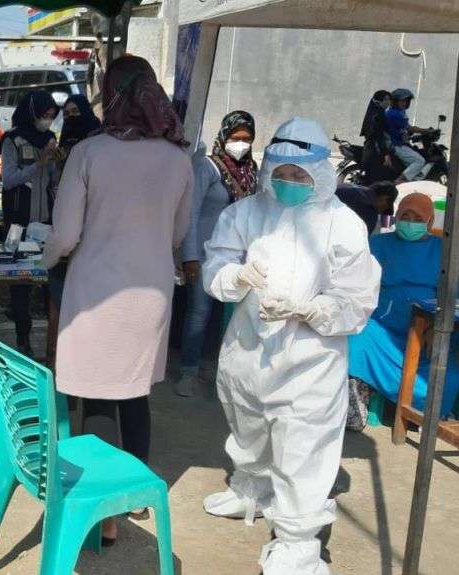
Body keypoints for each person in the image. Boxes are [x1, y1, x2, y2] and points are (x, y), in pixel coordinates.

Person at [201, 117, 381, 575]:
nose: (289, 183)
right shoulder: (244, 214)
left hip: (310, 361)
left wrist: (308, 308)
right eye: (281, 173)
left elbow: (357, 298)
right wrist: (234, 277)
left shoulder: (342, 225)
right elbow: (216, 265)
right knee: (248, 421)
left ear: (320, 175)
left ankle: (299, 541)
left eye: (300, 175)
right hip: (248, 349)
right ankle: (253, 488)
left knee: (303, 444)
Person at [42, 55, 193, 545]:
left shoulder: (90, 153)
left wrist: (43, 261)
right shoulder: (177, 158)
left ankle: (105, 514)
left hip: (98, 290)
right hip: (150, 292)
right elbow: (179, 233)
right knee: (134, 393)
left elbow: (64, 236)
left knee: (98, 395)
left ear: (114, 95)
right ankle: (135, 494)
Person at [348, 192, 459, 421]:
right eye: (405, 216)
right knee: (357, 337)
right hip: (383, 321)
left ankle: (424, 409)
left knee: (446, 364)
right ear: (396, 216)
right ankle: (358, 402)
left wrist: (435, 325)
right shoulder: (377, 243)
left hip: (427, 321)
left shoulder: (442, 250)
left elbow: (452, 294)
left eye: (418, 219)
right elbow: (356, 281)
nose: (410, 223)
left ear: (429, 222)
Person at [174, 110, 259, 397]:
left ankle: (211, 367)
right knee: (199, 312)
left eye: (247, 139)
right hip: (203, 253)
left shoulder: (251, 171)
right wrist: (189, 257)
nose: (242, 144)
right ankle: (188, 371)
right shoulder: (207, 168)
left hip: (237, 259)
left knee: (225, 314)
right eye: (236, 138)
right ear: (224, 136)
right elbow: (191, 212)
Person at [0, 91, 60, 356]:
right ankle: (23, 337)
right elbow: (9, 179)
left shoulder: (50, 140)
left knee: (50, 280)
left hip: (45, 221)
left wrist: (58, 163)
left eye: (51, 117)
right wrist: (40, 163)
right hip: (19, 224)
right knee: (21, 283)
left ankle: (54, 340)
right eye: (44, 116)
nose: (47, 121)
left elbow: (53, 182)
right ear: (32, 113)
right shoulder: (12, 140)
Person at [46, 94, 101, 364]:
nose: (70, 118)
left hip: (91, 232)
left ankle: (77, 356)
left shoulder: (97, 145)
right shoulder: (64, 144)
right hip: (66, 223)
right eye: (66, 113)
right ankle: (62, 354)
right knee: (60, 294)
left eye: (75, 112)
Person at [386, 88, 432, 183]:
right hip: (396, 145)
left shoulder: (399, 111)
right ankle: (399, 180)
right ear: (395, 101)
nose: (404, 103)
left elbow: (406, 128)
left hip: (401, 142)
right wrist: (426, 130)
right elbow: (410, 128)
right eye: (402, 101)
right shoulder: (394, 114)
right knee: (419, 161)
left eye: (406, 101)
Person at [335, 181, 399, 235]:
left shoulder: (350, 186)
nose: (386, 208)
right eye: (388, 204)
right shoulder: (370, 215)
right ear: (384, 198)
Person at [360, 90, 393, 184]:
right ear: (378, 100)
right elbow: (379, 137)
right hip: (375, 151)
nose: (388, 102)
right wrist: (386, 155)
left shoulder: (376, 112)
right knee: (375, 180)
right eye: (385, 99)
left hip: (371, 148)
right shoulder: (378, 115)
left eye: (389, 99)